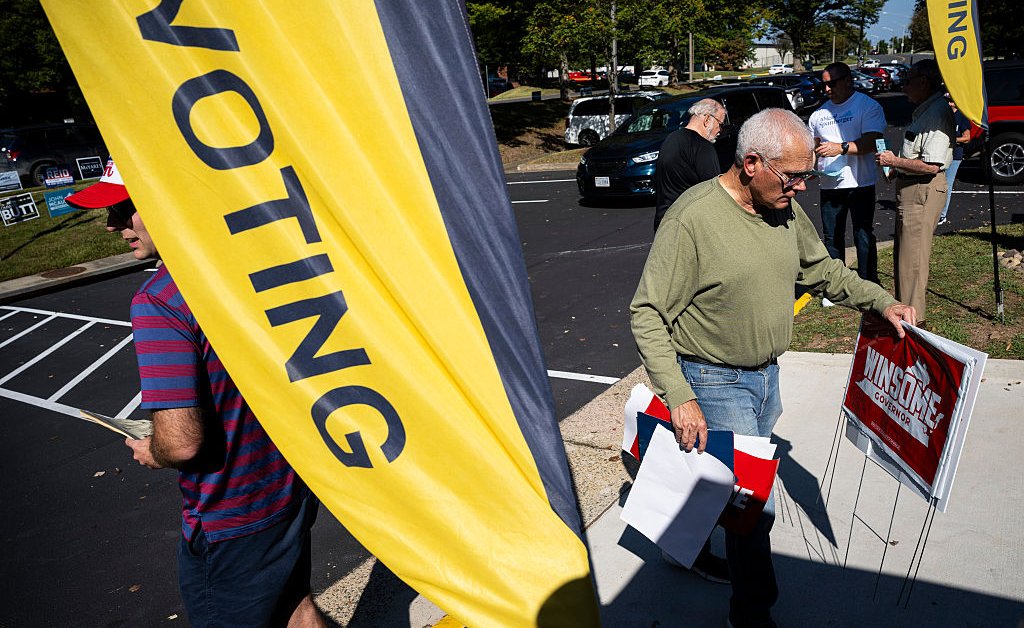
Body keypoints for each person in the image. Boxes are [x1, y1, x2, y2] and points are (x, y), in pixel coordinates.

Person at [630, 109, 915, 628]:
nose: (803, 188)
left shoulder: (780, 205)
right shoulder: (693, 219)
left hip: (766, 378)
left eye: (807, 175)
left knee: (722, 488)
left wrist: (880, 301)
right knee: (752, 511)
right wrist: (679, 394)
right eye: (794, 176)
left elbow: (821, 269)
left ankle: (680, 541)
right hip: (713, 379)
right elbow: (647, 312)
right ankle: (753, 613)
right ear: (752, 162)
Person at [65, 159, 327, 628]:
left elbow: (183, 442)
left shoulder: (160, 300)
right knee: (296, 608)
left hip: (231, 513)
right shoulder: (248, 269)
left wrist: (155, 451)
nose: (112, 225)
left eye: (126, 208)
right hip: (289, 486)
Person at [877, 59, 955, 326]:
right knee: (905, 257)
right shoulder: (926, 110)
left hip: (922, 191)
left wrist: (894, 162)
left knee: (912, 262)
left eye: (907, 81)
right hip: (912, 189)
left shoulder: (936, 113)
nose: (904, 86)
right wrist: (896, 170)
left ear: (923, 82)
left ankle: (913, 323)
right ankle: (906, 315)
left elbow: (931, 165)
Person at [808, 62, 887, 291]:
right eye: (823, 84)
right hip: (830, 184)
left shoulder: (866, 105)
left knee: (863, 233)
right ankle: (836, 287)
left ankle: (868, 284)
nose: (827, 89)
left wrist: (840, 147)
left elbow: (873, 140)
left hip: (859, 182)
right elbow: (812, 148)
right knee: (832, 237)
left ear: (847, 80)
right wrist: (810, 169)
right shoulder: (818, 115)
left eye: (831, 83)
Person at [652, 98, 727, 231]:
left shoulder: (671, 139)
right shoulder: (702, 147)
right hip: (688, 226)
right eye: (720, 123)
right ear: (707, 119)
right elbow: (714, 192)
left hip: (663, 222)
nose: (720, 130)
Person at [938, 95, 972, 226]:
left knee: (947, 184)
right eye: (947, 101)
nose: (950, 104)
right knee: (936, 183)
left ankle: (942, 215)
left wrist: (952, 139)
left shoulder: (962, 117)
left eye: (952, 101)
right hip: (940, 154)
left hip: (954, 155)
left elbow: (967, 138)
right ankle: (936, 212)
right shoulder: (942, 115)